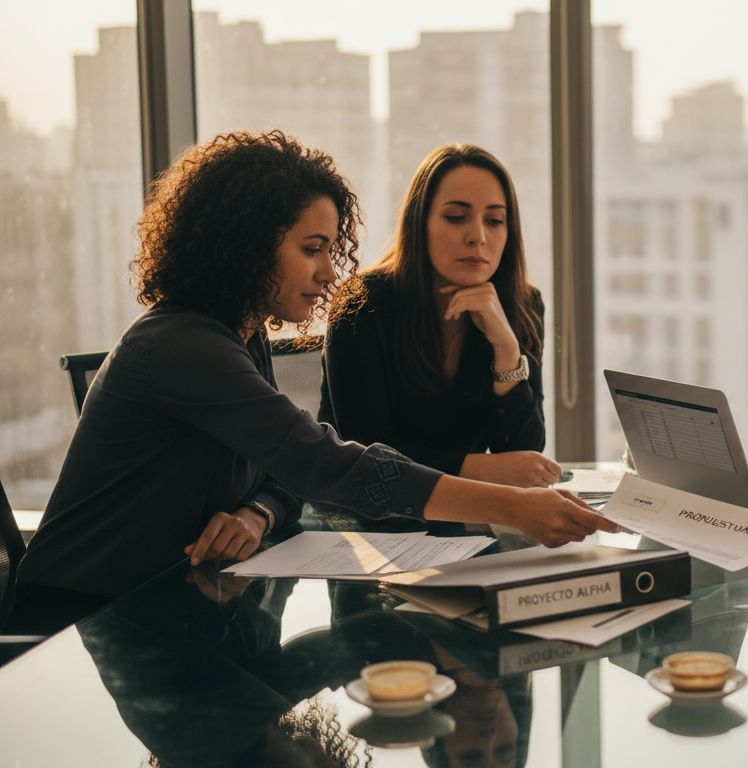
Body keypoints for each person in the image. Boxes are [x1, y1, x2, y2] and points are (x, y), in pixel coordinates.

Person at [14, 131, 617, 616]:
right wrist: (514, 508)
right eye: (312, 249)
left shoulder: (241, 336)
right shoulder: (183, 347)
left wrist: (258, 513)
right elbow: (323, 462)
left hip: (167, 598)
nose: (331, 273)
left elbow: (285, 474)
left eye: (332, 249)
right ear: (245, 248)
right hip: (73, 620)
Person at [321, 144, 560, 490]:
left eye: (494, 220)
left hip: (466, 517)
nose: (478, 236)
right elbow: (365, 452)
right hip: (366, 515)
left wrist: (506, 347)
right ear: (420, 223)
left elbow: (523, 454)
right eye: (456, 217)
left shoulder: (521, 303)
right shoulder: (361, 303)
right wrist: (479, 469)